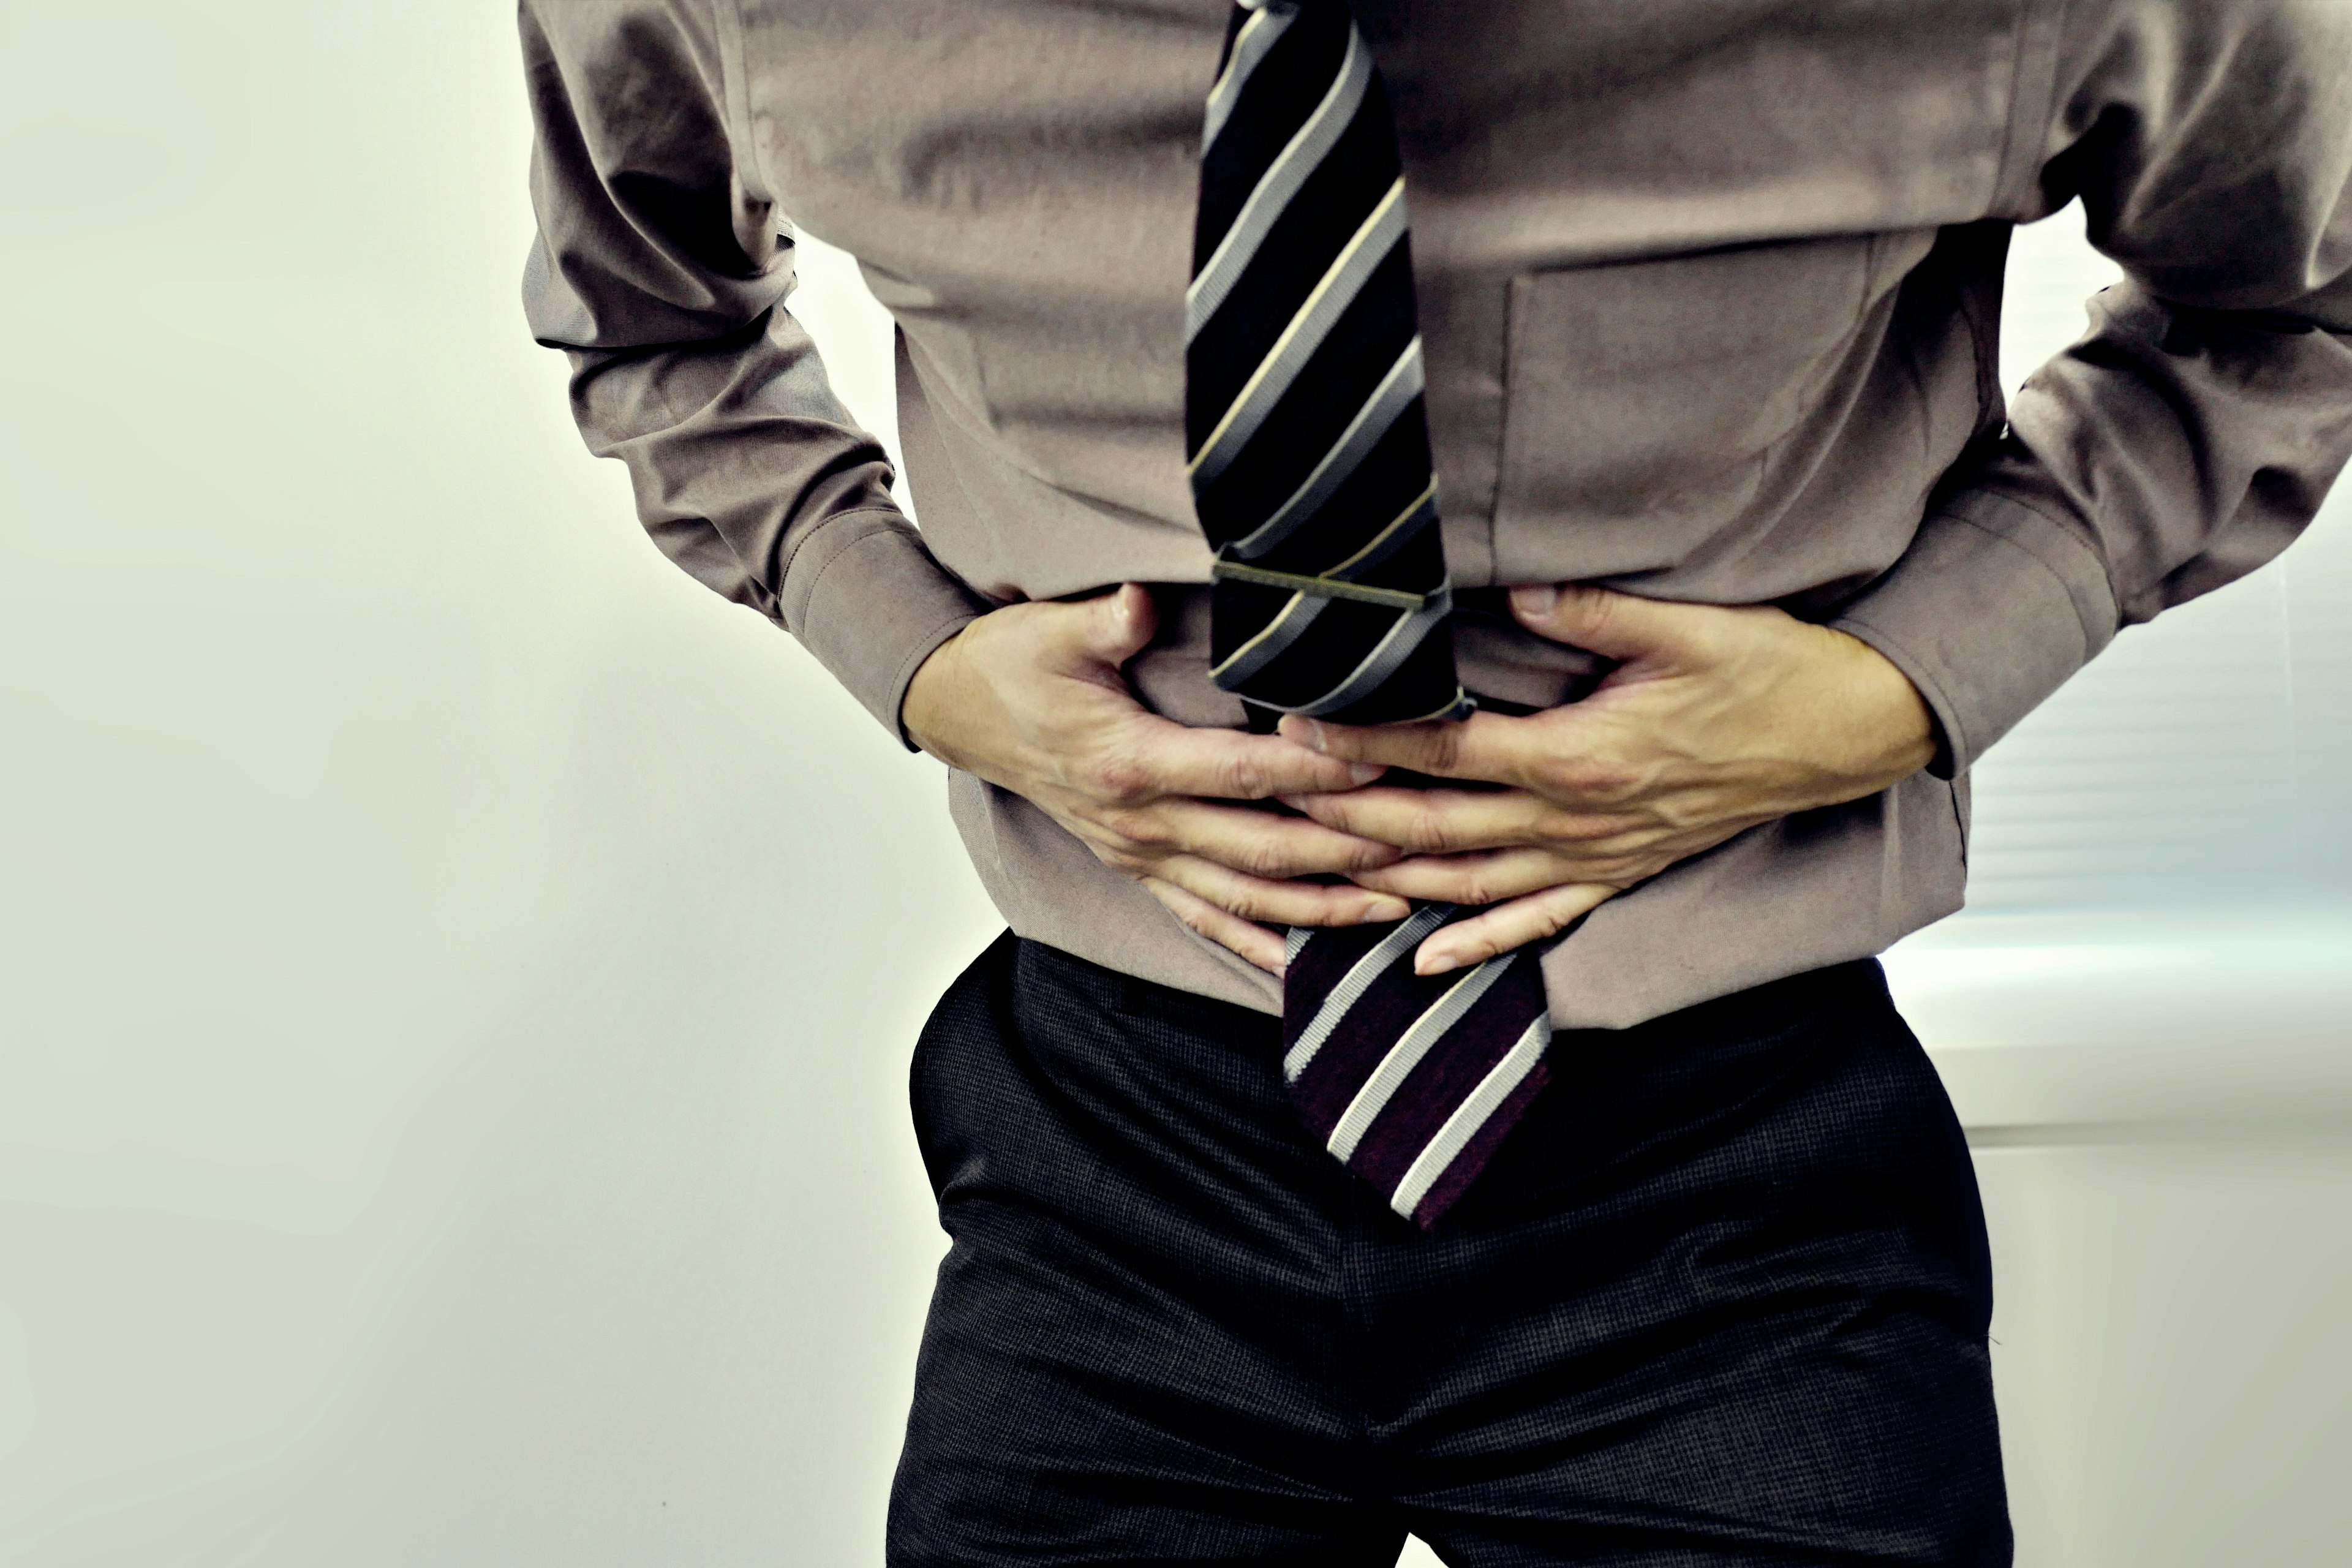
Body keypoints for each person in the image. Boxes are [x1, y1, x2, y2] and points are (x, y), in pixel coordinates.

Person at [517, 1, 2352, 1561]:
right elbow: (651, 315)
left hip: (1729, 1171)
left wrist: (1912, 678)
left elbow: (2290, 308)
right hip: (1114, 1147)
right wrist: (903, 646)